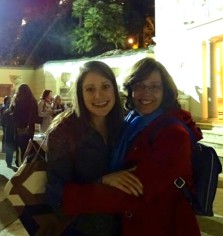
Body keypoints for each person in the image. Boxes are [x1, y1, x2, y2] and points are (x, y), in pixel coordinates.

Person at [60, 57, 202, 236]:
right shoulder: (131, 122)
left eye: (154, 87)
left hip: (164, 226)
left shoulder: (173, 134)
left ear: (165, 91)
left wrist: (69, 197)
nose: (146, 93)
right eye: (139, 86)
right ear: (130, 90)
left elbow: (133, 193)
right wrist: (103, 180)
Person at [45, 61, 125, 235]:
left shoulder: (122, 124)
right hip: (80, 229)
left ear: (114, 90)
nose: (99, 95)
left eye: (105, 86)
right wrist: (102, 182)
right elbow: (55, 195)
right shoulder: (64, 131)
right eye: (90, 89)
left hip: (121, 227)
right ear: (80, 94)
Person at [11, 84, 38, 166]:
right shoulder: (33, 101)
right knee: (28, 148)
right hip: (30, 128)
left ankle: (19, 164)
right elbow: (36, 115)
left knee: (21, 148)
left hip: (19, 128)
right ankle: (27, 165)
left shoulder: (18, 101)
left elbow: (14, 116)